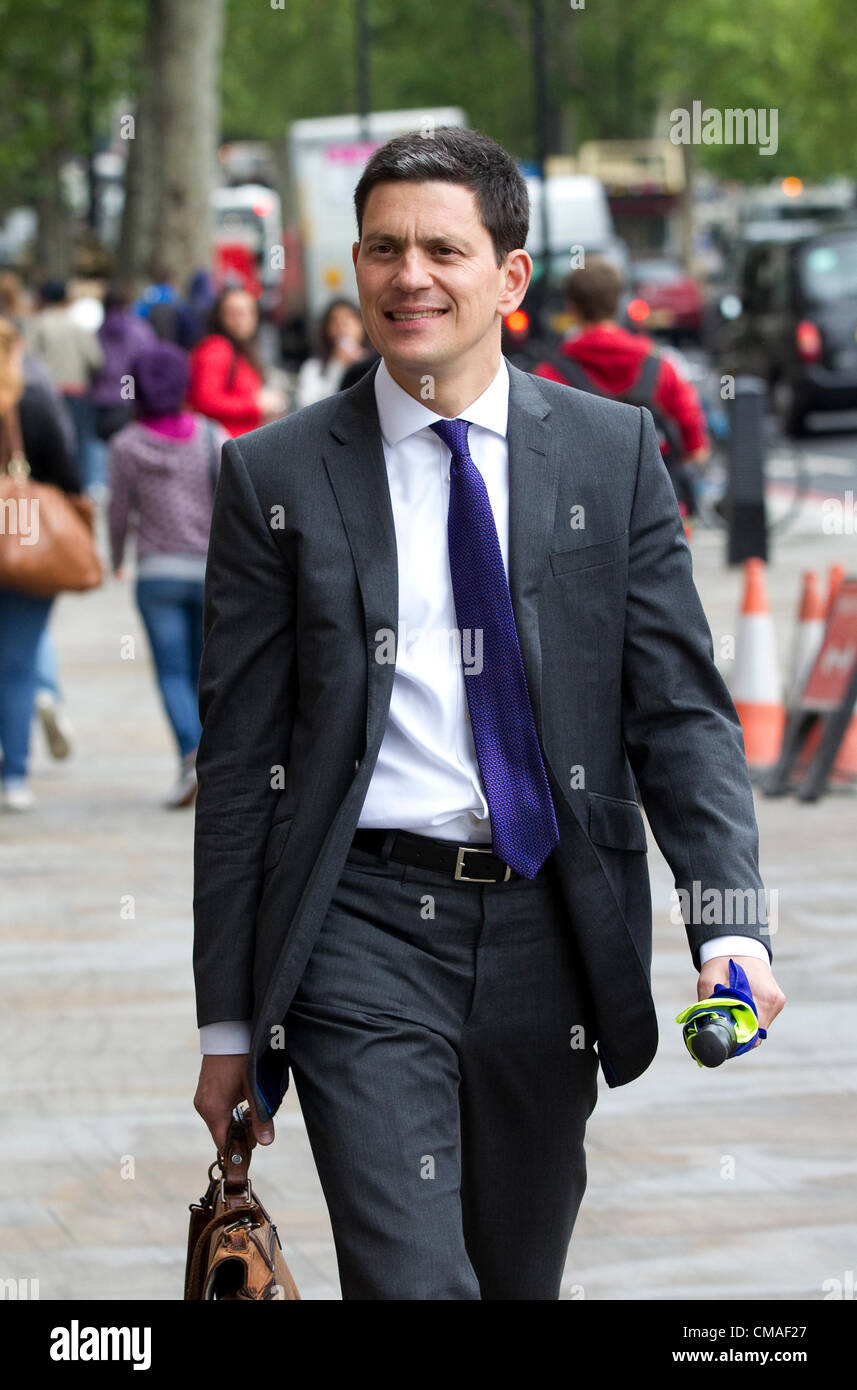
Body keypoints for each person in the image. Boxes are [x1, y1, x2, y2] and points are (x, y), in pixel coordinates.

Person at [192, 127, 785, 1301]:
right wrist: (226, 1024)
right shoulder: (273, 476)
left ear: (507, 278)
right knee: (413, 1283)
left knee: (516, 1279)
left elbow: (676, 711)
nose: (409, 274)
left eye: (442, 250)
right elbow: (241, 760)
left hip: (549, 930)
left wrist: (730, 924)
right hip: (358, 929)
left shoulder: (610, 455)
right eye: (382, 249)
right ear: (354, 270)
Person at [107, 342, 229, 808]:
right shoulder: (209, 435)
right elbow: (234, 500)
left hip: (156, 574)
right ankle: (218, 763)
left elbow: (119, 509)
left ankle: (190, 752)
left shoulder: (125, 445)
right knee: (208, 671)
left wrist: (117, 556)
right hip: (210, 572)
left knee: (171, 671)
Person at [532, 259, 709, 532]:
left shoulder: (548, 374)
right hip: (657, 511)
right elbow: (694, 444)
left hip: (580, 518)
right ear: (619, 302)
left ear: (571, 307)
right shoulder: (660, 366)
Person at [0, 316, 84, 811]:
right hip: (27, 540)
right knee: (19, 664)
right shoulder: (35, 398)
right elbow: (67, 472)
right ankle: (15, 778)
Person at [25, 280, 104, 494]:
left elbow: (28, 361)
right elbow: (96, 360)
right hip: (77, 391)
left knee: (52, 445)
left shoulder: (38, 325)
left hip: (47, 395)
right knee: (78, 443)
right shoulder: (78, 326)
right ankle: (79, 490)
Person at [187, 286, 285, 437]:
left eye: (249, 312)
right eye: (234, 312)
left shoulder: (240, 350)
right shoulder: (216, 348)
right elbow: (207, 401)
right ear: (220, 316)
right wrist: (257, 404)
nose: (243, 318)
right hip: (225, 447)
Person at [92, 281, 157, 445]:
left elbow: (92, 363)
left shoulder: (97, 332)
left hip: (102, 399)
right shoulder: (140, 330)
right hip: (129, 396)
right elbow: (150, 363)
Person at [294, 298, 372, 408]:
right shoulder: (313, 367)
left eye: (347, 320)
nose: (342, 328)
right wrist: (337, 365)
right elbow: (307, 406)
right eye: (335, 322)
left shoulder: (374, 361)